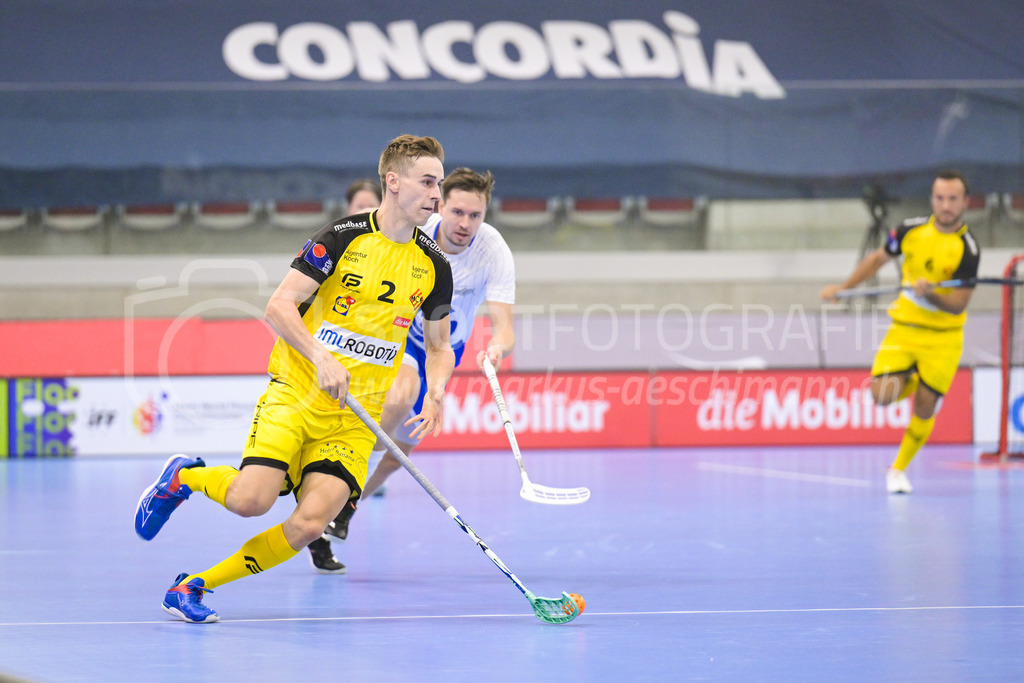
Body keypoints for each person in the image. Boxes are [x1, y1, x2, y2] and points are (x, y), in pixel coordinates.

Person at [134, 134, 455, 622]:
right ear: (393, 181)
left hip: (352, 420)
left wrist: (435, 394)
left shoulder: (434, 265)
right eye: (428, 181)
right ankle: (184, 476)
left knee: (308, 524)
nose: (438, 194)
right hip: (297, 394)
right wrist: (321, 357)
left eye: (441, 183)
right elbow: (279, 305)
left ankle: (193, 587)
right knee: (249, 501)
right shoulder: (343, 236)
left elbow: (438, 346)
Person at [311, 167, 516, 568]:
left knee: (397, 455)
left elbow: (505, 330)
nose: (465, 224)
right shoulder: (419, 233)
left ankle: (340, 508)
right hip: (400, 340)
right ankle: (335, 474)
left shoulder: (493, 249)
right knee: (401, 396)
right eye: (457, 212)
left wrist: (496, 347)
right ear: (442, 205)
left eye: (475, 215)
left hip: (444, 353)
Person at [820, 170, 980, 494]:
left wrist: (932, 293)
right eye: (939, 198)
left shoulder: (968, 248)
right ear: (932, 198)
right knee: (881, 395)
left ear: (965, 202)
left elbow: (959, 304)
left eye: (953, 199)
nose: (945, 205)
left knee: (924, 407)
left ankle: (897, 470)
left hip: (943, 339)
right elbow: (878, 259)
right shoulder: (909, 230)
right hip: (904, 330)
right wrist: (844, 288)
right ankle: (920, 381)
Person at [304, 176, 384, 574]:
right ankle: (318, 537)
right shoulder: (335, 245)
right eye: (360, 206)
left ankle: (331, 524)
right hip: (316, 378)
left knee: (334, 468)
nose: (367, 212)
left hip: (364, 383)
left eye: (374, 204)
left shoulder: (395, 254)